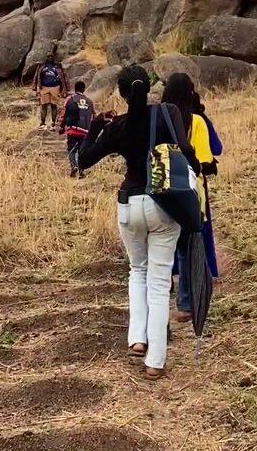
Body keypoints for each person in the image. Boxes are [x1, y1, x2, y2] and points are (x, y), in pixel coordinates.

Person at [79, 66, 201, 380]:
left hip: (129, 205)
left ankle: (137, 338)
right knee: (159, 283)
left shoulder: (118, 125)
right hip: (163, 203)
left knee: (137, 271)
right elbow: (186, 151)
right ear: (149, 88)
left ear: (121, 93)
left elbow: (83, 160)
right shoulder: (167, 113)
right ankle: (155, 361)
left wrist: (95, 126)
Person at [161, 73, 221, 320]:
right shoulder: (196, 121)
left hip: (160, 190)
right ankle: (185, 304)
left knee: (162, 246)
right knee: (186, 250)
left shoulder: (158, 118)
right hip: (190, 192)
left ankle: (161, 295)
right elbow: (205, 160)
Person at [58, 81, 95, 178]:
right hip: (85, 131)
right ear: (84, 89)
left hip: (73, 130)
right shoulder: (90, 101)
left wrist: (61, 126)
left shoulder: (70, 99)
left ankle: (74, 166)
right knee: (82, 151)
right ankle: (81, 171)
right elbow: (94, 117)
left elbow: (64, 113)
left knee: (72, 150)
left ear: (75, 89)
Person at [32, 49, 69, 131]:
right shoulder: (42, 66)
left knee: (54, 105)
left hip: (55, 87)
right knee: (44, 105)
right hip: (44, 87)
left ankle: (53, 124)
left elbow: (64, 76)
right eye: (48, 56)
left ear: (54, 57)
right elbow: (36, 76)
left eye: (51, 56)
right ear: (46, 57)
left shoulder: (58, 66)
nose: (50, 58)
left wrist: (65, 89)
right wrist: (35, 87)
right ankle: (43, 123)